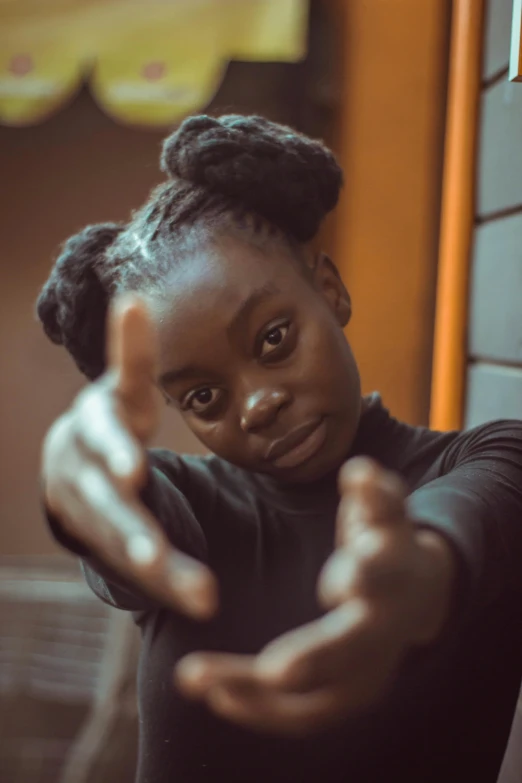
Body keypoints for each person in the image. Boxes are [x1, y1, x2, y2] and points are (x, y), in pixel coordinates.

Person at [37, 114, 522, 783]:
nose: (258, 403)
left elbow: (470, 518)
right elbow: (127, 516)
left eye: (273, 339)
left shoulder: (497, 461)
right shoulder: (189, 516)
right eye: (204, 396)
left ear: (330, 290)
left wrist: (414, 570)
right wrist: (78, 482)